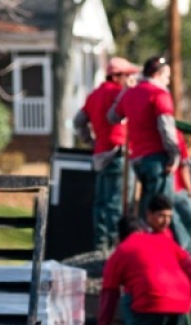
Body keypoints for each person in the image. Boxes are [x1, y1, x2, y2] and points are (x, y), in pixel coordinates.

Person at [93, 195, 191, 325]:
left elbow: (109, 298)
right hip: (181, 302)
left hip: (152, 300)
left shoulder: (120, 253)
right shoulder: (164, 240)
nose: (166, 221)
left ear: (119, 238)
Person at [73, 56, 140, 251]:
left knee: (101, 203)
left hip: (100, 154)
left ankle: (100, 245)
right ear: (117, 76)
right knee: (117, 203)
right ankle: (115, 246)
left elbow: (78, 121)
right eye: (127, 75)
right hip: (119, 153)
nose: (130, 79)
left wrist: (91, 142)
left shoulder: (94, 95)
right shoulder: (121, 94)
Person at [108, 55, 180, 219]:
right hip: (157, 158)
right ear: (157, 74)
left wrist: (124, 91)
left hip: (138, 159)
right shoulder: (159, 94)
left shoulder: (130, 94)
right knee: (161, 210)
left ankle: (141, 234)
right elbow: (166, 128)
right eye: (167, 76)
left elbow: (112, 117)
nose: (168, 81)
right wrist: (174, 155)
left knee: (147, 208)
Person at [170, 132, 191, 259]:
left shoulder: (177, 136)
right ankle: (184, 250)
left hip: (179, 190)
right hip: (165, 191)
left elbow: (184, 167)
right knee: (173, 218)